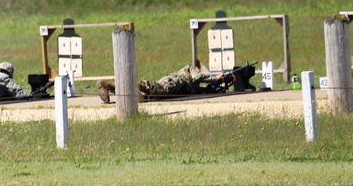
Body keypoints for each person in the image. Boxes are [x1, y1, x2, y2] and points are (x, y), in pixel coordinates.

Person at [96, 61, 253, 103]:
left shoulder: (195, 83)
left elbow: (205, 90)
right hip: (177, 83)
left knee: (149, 95)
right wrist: (215, 77)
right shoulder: (191, 70)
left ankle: (109, 86)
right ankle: (138, 86)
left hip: (176, 89)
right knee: (157, 89)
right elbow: (198, 78)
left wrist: (221, 85)